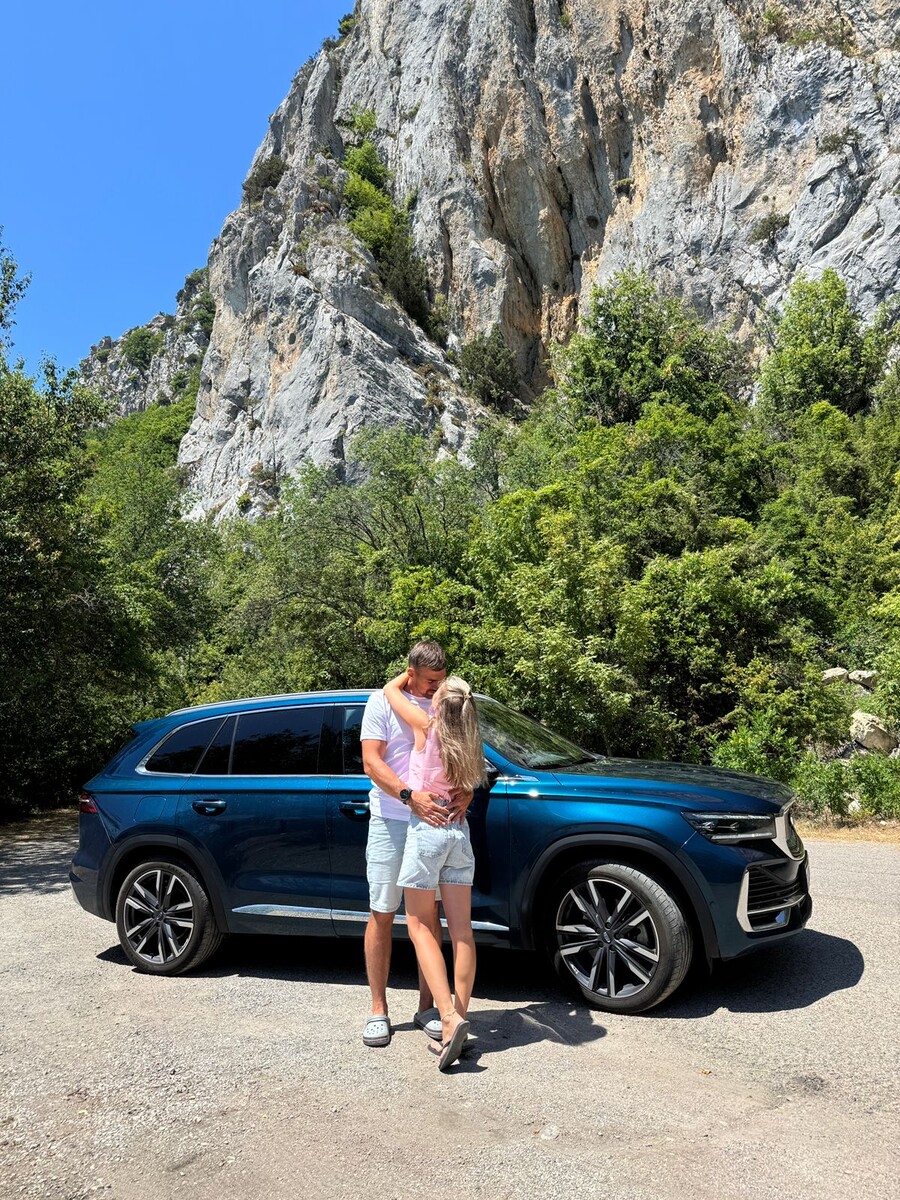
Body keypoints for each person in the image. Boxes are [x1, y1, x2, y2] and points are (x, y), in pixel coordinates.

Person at [359, 642, 472, 1049]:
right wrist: (410, 797)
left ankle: (430, 1008)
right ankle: (378, 1010)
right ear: (411, 672)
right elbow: (371, 762)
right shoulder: (382, 703)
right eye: (429, 681)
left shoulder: (443, 705)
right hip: (392, 819)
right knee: (383, 912)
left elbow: (466, 758)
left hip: (433, 824)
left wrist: (468, 791)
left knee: (429, 917)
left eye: (440, 680)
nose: (434, 687)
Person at [384, 670, 485, 1071]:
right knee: (462, 933)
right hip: (459, 833)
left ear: (439, 705)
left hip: (428, 831)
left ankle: (446, 1017)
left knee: (419, 925)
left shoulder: (426, 727)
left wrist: (412, 674)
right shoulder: (469, 740)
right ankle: (461, 1017)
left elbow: (390, 690)